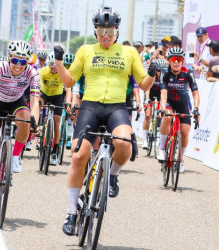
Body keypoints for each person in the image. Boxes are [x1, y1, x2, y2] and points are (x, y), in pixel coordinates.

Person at [54, 6, 156, 236]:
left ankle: (112, 175)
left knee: (124, 144)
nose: (106, 35)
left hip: (117, 107)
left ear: (117, 31)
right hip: (90, 105)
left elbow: (143, 83)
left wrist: (153, 73)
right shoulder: (86, 51)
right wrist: (59, 62)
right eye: (101, 30)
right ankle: (71, 212)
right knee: (79, 155)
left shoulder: (129, 53)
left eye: (110, 30)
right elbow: (70, 82)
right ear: (95, 31)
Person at [0, 40, 40, 208]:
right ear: (9, 58)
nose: (18, 65)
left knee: (25, 118)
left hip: (15, 101)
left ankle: (16, 156)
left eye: (23, 61)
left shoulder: (32, 73)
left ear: (28, 62)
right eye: (15, 60)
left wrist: (35, 124)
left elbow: (34, 102)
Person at [157, 47, 200, 173]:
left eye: (179, 59)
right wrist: (163, 109)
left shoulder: (188, 72)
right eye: (173, 59)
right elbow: (163, 93)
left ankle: (181, 159)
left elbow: (195, 93)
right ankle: (162, 149)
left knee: (185, 131)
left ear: (182, 61)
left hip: (183, 103)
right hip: (169, 102)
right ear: (169, 60)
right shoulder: (165, 72)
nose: (176, 62)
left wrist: (196, 109)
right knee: (168, 117)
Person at [39, 52, 71, 165]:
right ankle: (37, 127)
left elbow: (68, 89)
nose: (53, 67)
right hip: (44, 93)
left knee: (57, 123)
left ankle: (55, 151)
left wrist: (68, 102)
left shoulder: (63, 73)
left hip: (57, 96)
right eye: (51, 64)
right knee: (38, 103)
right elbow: (36, 86)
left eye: (55, 64)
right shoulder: (43, 71)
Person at [142, 59, 167, 149]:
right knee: (148, 115)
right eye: (158, 70)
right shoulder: (152, 75)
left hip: (160, 94)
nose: (160, 72)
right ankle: (144, 140)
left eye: (162, 70)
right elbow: (147, 88)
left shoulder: (165, 76)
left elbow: (165, 92)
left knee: (162, 115)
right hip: (150, 93)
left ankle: (158, 135)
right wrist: (147, 99)